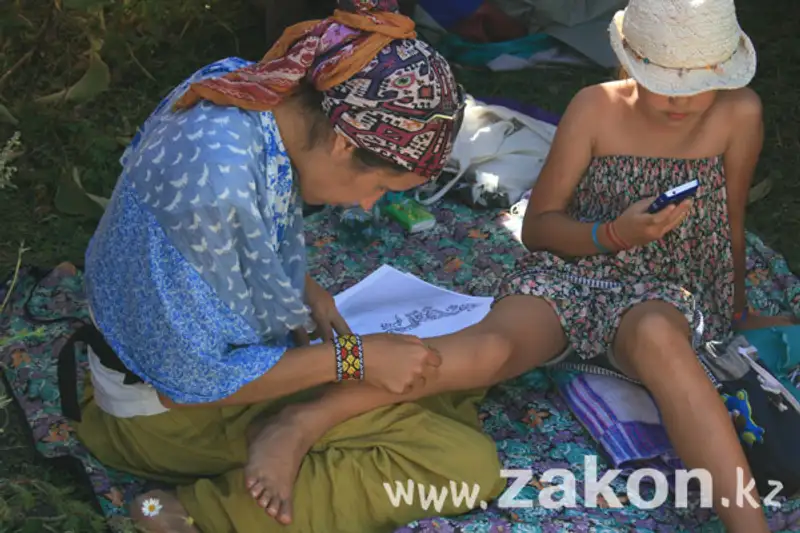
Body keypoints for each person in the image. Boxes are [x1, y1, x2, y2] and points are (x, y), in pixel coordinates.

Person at [216, 1, 797, 532]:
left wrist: (733, 309)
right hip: (574, 272)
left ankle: (750, 528)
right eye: (663, 82)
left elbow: (730, 222)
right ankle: (302, 420)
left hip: (664, 290)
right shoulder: (595, 108)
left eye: (698, 85)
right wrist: (613, 232)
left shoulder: (738, 114)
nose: (680, 100)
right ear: (629, 60)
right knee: (487, 349)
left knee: (659, 340)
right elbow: (539, 227)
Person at [72, 2, 509, 532]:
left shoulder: (241, 91)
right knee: (461, 465)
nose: (369, 206)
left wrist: (299, 284)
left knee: (446, 369)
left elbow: (211, 249)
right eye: (380, 188)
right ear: (347, 143)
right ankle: (197, 512)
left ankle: (299, 426)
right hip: (164, 419)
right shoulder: (216, 196)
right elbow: (188, 383)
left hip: (154, 373)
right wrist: (352, 360)